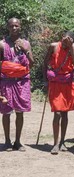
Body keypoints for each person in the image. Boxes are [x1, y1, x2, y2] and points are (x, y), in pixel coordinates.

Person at [0, 17, 34, 151]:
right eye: (11, 26)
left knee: (20, 112)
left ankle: (18, 141)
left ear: (20, 27)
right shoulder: (2, 44)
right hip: (6, 82)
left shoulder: (26, 43)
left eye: (16, 26)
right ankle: (7, 141)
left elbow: (31, 63)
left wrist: (26, 50)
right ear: (7, 27)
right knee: (6, 112)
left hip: (22, 82)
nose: (14, 28)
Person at [43, 31, 74, 155]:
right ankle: (55, 143)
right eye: (64, 37)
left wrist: (70, 47)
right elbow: (45, 62)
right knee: (57, 113)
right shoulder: (53, 46)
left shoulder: (73, 47)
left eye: (68, 39)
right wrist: (45, 80)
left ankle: (62, 141)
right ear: (61, 37)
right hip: (55, 82)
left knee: (65, 113)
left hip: (67, 83)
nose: (65, 40)